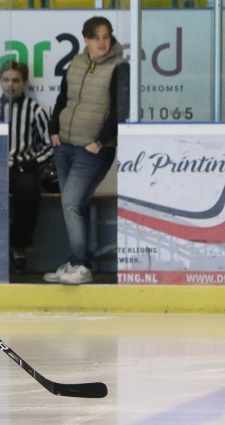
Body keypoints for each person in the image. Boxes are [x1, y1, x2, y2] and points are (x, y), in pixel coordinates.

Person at [43, 16, 130, 285]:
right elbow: (62, 99)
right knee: (74, 205)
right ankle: (74, 263)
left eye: (106, 37)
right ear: (86, 40)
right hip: (65, 145)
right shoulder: (77, 63)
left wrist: (100, 142)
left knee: (71, 203)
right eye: (96, 37)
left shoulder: (119, 67)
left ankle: (81, 265)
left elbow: (121, 110)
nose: (102, 42)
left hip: (92, 151)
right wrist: (54, 130)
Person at [0, 60, 53, 270]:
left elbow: (49, 145)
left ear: (24, 83)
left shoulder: (35, 110)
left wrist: (33, 162)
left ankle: (18, 246)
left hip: (24, 168)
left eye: (15, 80)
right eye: (6, 80)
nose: (10, 85)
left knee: (29, 194)